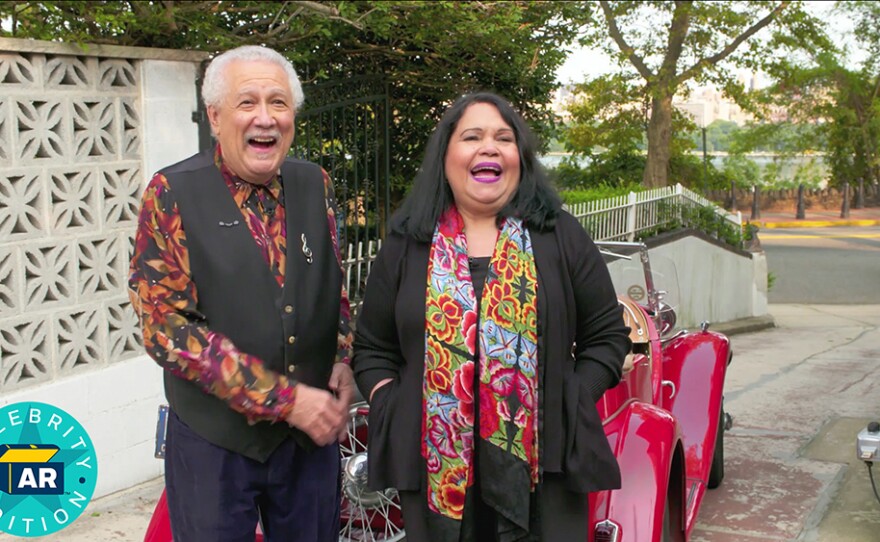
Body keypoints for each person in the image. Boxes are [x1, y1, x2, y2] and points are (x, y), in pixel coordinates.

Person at [351, 92, 631, 541]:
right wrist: (392, 405)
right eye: (472, 136)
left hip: (547, 468)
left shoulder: (558, 235)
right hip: (434, 470)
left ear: (519, 157)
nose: (489, 147)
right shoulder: (408, 244)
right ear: (446, 156)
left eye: (504, 137)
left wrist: (572, 396)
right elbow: (371, 349)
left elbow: (606, 337)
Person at [128, 45, 354, 542]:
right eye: (247, 102)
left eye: (278, 102)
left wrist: (341, 356)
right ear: (214, 116)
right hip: (215, 444)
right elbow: (166, 328)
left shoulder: (314, 183)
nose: (265, 118)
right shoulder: (172, 193)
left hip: (307, 443)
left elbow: (331, 287)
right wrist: (284, 399)